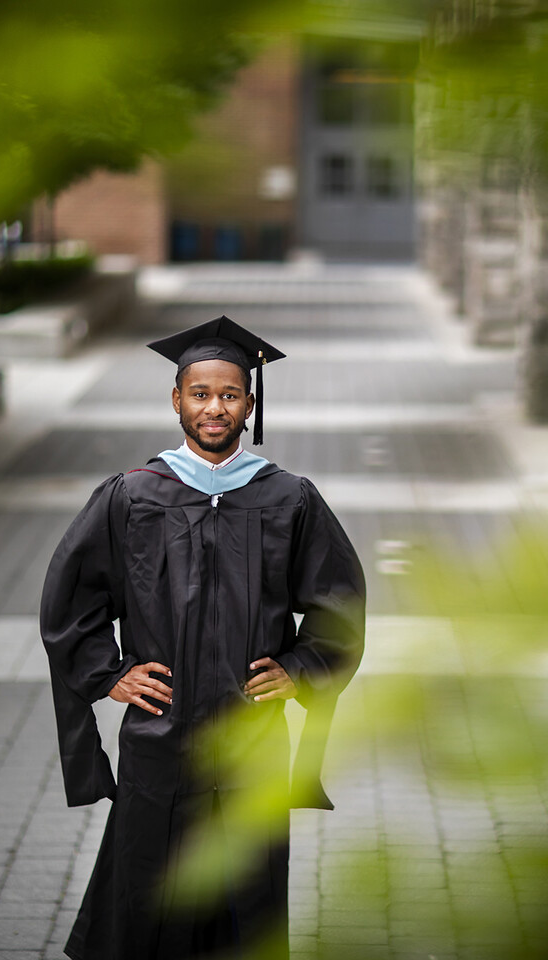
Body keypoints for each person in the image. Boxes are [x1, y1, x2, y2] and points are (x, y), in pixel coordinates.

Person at [39, 316, 367, 960]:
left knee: (248, 890)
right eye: (200, 394)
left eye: (229, 395)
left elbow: (339, 603)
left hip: (252, 734)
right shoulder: (133, 495)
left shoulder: (289, 498)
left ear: (250, 404)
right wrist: (110, 674)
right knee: (148, 887)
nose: (215, 408)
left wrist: (301, 668)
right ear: (176, 400)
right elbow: (72, 597)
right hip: (161, 732)